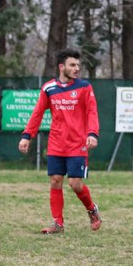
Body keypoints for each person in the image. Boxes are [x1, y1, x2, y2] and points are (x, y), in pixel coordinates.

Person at [18, 48, 102, 234]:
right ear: (61, 67)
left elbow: (92, 112)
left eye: (78, 65)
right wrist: (27, 136)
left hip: (77, 143)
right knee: (55, 180)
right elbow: (38, 113)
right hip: (56, 143)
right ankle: (58, 223)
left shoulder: (84, 87)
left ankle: (92, 210)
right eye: (72, 65)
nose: (76, 68)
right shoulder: (49, 88)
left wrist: (92, 133)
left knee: (75, 184)